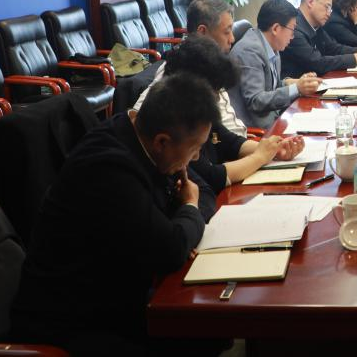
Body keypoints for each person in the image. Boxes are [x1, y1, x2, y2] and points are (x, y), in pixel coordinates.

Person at [12, 73, 224, 356]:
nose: (196, 157)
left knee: (212, 330)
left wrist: (182, 223)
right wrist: (188, 209)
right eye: (195, 149)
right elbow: (171, 248)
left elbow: (196, 198)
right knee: (202, 332)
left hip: (114, 297)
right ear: (162, 142)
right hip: (69, 321)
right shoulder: (109, 165)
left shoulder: (141, 138)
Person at [163, 35, 305, 193]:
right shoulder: (172, 115)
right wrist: (260, 157)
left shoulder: (197, 107)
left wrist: (273, 150)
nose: (218, 98)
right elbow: (210, 176)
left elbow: (230, 142)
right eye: (215, 92)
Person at [133, 0, 248, 136]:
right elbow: (137, 118)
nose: (232, 39)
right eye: (227, 32)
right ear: (202, 32)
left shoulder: (214, 65)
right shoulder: (179, 70)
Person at [230, 0, 322, 130]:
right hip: (256, 130)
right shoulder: (249, 50)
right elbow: (256, 101)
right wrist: (297, 89)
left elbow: (270, 86)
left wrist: (294, 83)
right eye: (292, 30)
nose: (293, 36)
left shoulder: (272, 45)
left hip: (275, 117)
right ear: (276, 28)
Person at [281, 0, 357, 78]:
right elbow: (317, 62)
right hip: (298, 86)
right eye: (327, 7)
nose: (329, 13)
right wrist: (355, 58)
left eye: (330, 9)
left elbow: (334, 48)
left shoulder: (316, 25)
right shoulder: (293, 28)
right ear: (310, 2)